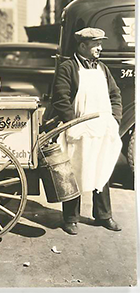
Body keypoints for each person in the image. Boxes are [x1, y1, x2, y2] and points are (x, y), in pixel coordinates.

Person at [51, 27, 123, 235]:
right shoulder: (68, 68)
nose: (100, 48)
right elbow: (61, 99)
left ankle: (103, 216)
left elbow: (115, 94)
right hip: (78, 130)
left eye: (100, 44)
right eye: (95, 45)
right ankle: (71, 218)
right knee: (74, 172)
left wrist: (115, 119)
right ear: (82, 46)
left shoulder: (102, 69)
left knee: (102, 169)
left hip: (102, 129)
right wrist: (73, 123)